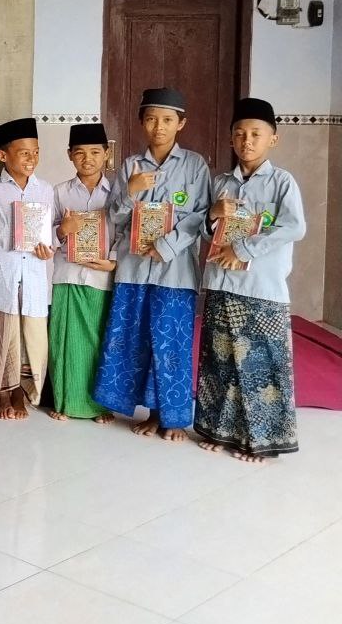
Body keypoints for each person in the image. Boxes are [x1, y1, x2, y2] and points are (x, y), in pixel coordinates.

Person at [93, 87, 210, 442]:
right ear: (141, 122)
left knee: (171, 342)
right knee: (134, 338)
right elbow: (114, 217)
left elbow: (200, 216)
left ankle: (171, 417)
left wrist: (167, 245)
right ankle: (143, 410)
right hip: (133, 270)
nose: (159, 127)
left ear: (180, 124)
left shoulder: (194, 165)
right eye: (151, 119)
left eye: (167, 120)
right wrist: (130, 191)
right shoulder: (131, 165)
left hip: (175, 271)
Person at [195, 98, 305, 462]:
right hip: (221, 284)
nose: (247, 141)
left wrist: (243, 249)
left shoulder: (282, 182)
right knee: (221, 362)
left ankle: (263, 442)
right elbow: (205, 231)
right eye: (240, 134)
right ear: (230, 139)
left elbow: (294, 227)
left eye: (256, 134)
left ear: (273, 138)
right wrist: (212, 215)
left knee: (262, 368)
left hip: (262, 288)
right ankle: (219, 431)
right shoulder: (221, 182)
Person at [0, 118, 55, 420]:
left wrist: (48, 248)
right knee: (0, 332)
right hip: (1, 273)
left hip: (34, 273)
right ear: (3, 155)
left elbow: (48, 234)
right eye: (24, 152)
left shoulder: (45, 190)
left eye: (36, 152)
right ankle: (2, 392)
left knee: (31, 334)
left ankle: (23, 391)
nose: (32, 159)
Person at [48, 123, 117, 423]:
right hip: (67, 276)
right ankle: (64, 401)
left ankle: (100, 406)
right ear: (69, 155)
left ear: (106, 154)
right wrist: (62, 230)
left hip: (102, 278)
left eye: (94, 152)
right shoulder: (59, 192)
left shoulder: (116, 194)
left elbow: (124, 234)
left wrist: (113, 262)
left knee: (99, 341)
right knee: (64, 341)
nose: (87, 159)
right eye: (80, 153)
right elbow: (45, 234)